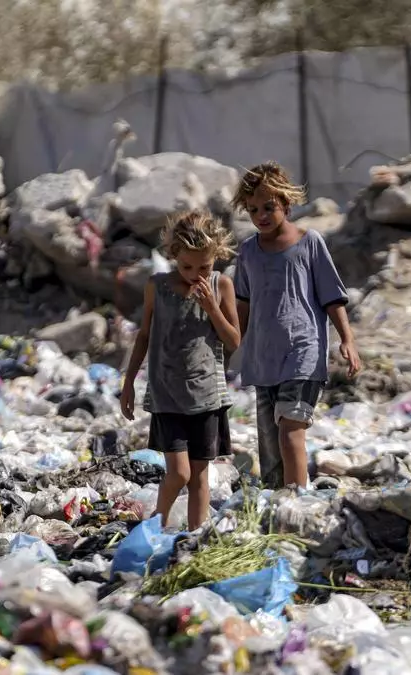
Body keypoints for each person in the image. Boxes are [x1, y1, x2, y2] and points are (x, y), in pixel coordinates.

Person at [232, 161, 361, 489]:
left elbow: (332, 297)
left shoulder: (309, 242)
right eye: (253, 210)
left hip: (304, 352)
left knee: (291, 431)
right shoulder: (247, 253)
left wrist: (347, 339)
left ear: (287, 204)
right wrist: (229, 346)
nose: (261, 215)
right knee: (271, 451)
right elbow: (242, 305)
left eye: (269, 207)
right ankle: (280, 505)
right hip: (264, 359)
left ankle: (299, 500)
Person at [120, 211, 240, 529]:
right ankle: (156, 525)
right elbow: (144, 335)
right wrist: (129, 383)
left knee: (199, 476)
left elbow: (233, 340)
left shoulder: (221, 285)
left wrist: (212, 307)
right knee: (179, 473)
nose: (195, 275)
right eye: (187, 267)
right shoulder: (157, 286)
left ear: (216, 257)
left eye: (204, 267)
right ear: (174, 255)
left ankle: (195, 538)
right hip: (167, 395)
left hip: (207, 396)